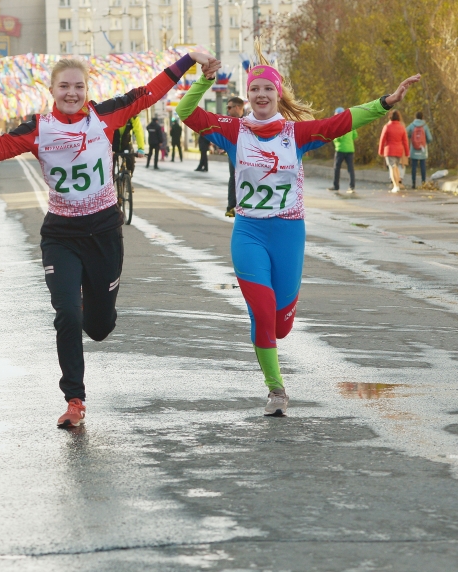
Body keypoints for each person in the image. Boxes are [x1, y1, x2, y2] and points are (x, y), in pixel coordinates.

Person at [177, 44, 420, 417]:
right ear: (250, 94)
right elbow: (185, 111)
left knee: (280, 326)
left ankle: (276, 330)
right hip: (249, 233)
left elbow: (342, 123)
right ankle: (276, 389)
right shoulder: (232, 130)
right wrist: (204, 80)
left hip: (288, 234)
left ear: (278, 95)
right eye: (254, 89)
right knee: (261, 309)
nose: (260, 95)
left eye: (267, 89)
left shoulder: (298, 133)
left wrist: (385, 103)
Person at [0, 51, 217, 428]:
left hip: (104, 231)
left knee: (99, 327)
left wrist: (189, 59)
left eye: (78, 86)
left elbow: (150, 93)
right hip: (61, 235)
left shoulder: (104, 115)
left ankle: (93, 302)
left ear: (87, 89)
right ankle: (75, 399)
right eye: (64, 87)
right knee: (68, 315)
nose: (71, 93)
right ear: (52, 90)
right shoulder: (38, 127)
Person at [378, 110, 409, 193]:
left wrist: (380, 151)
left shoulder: (387, 126)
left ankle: (395, 186)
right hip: (399, 150)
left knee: (392, 167)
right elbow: (405, 141)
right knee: (396, 167)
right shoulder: (402, 127)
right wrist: (407, 152)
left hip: (389, 150)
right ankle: (397, 184)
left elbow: (382, 140)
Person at [224, 97, 246, 216]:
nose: (228, 110)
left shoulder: (251, 120)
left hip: (248, 154)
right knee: (234, 176)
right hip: (233, 152)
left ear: (237, 107)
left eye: (229, 107)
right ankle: (231, 206)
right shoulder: (229, 121)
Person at [328, 107, 356, 193]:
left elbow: (337, 137)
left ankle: (336, 186)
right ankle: (352, 186)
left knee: (337, 168)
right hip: (350, 149)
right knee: (350, 169)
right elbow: (355, 135)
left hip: (340, 149)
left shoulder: (337, 124)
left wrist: (335, 140)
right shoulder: (350, 123)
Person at [406, 111, 433, 189]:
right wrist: (425, 143)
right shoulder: (425, 126)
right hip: (422, 149)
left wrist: (410, 136)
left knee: (414, 167)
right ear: (422, 117)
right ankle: (423, 183)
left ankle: (413, 184)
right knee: (423, 167)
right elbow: (430, 138)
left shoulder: (412, 125)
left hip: (413, 149)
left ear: (415, 117)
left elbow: (404, 131)